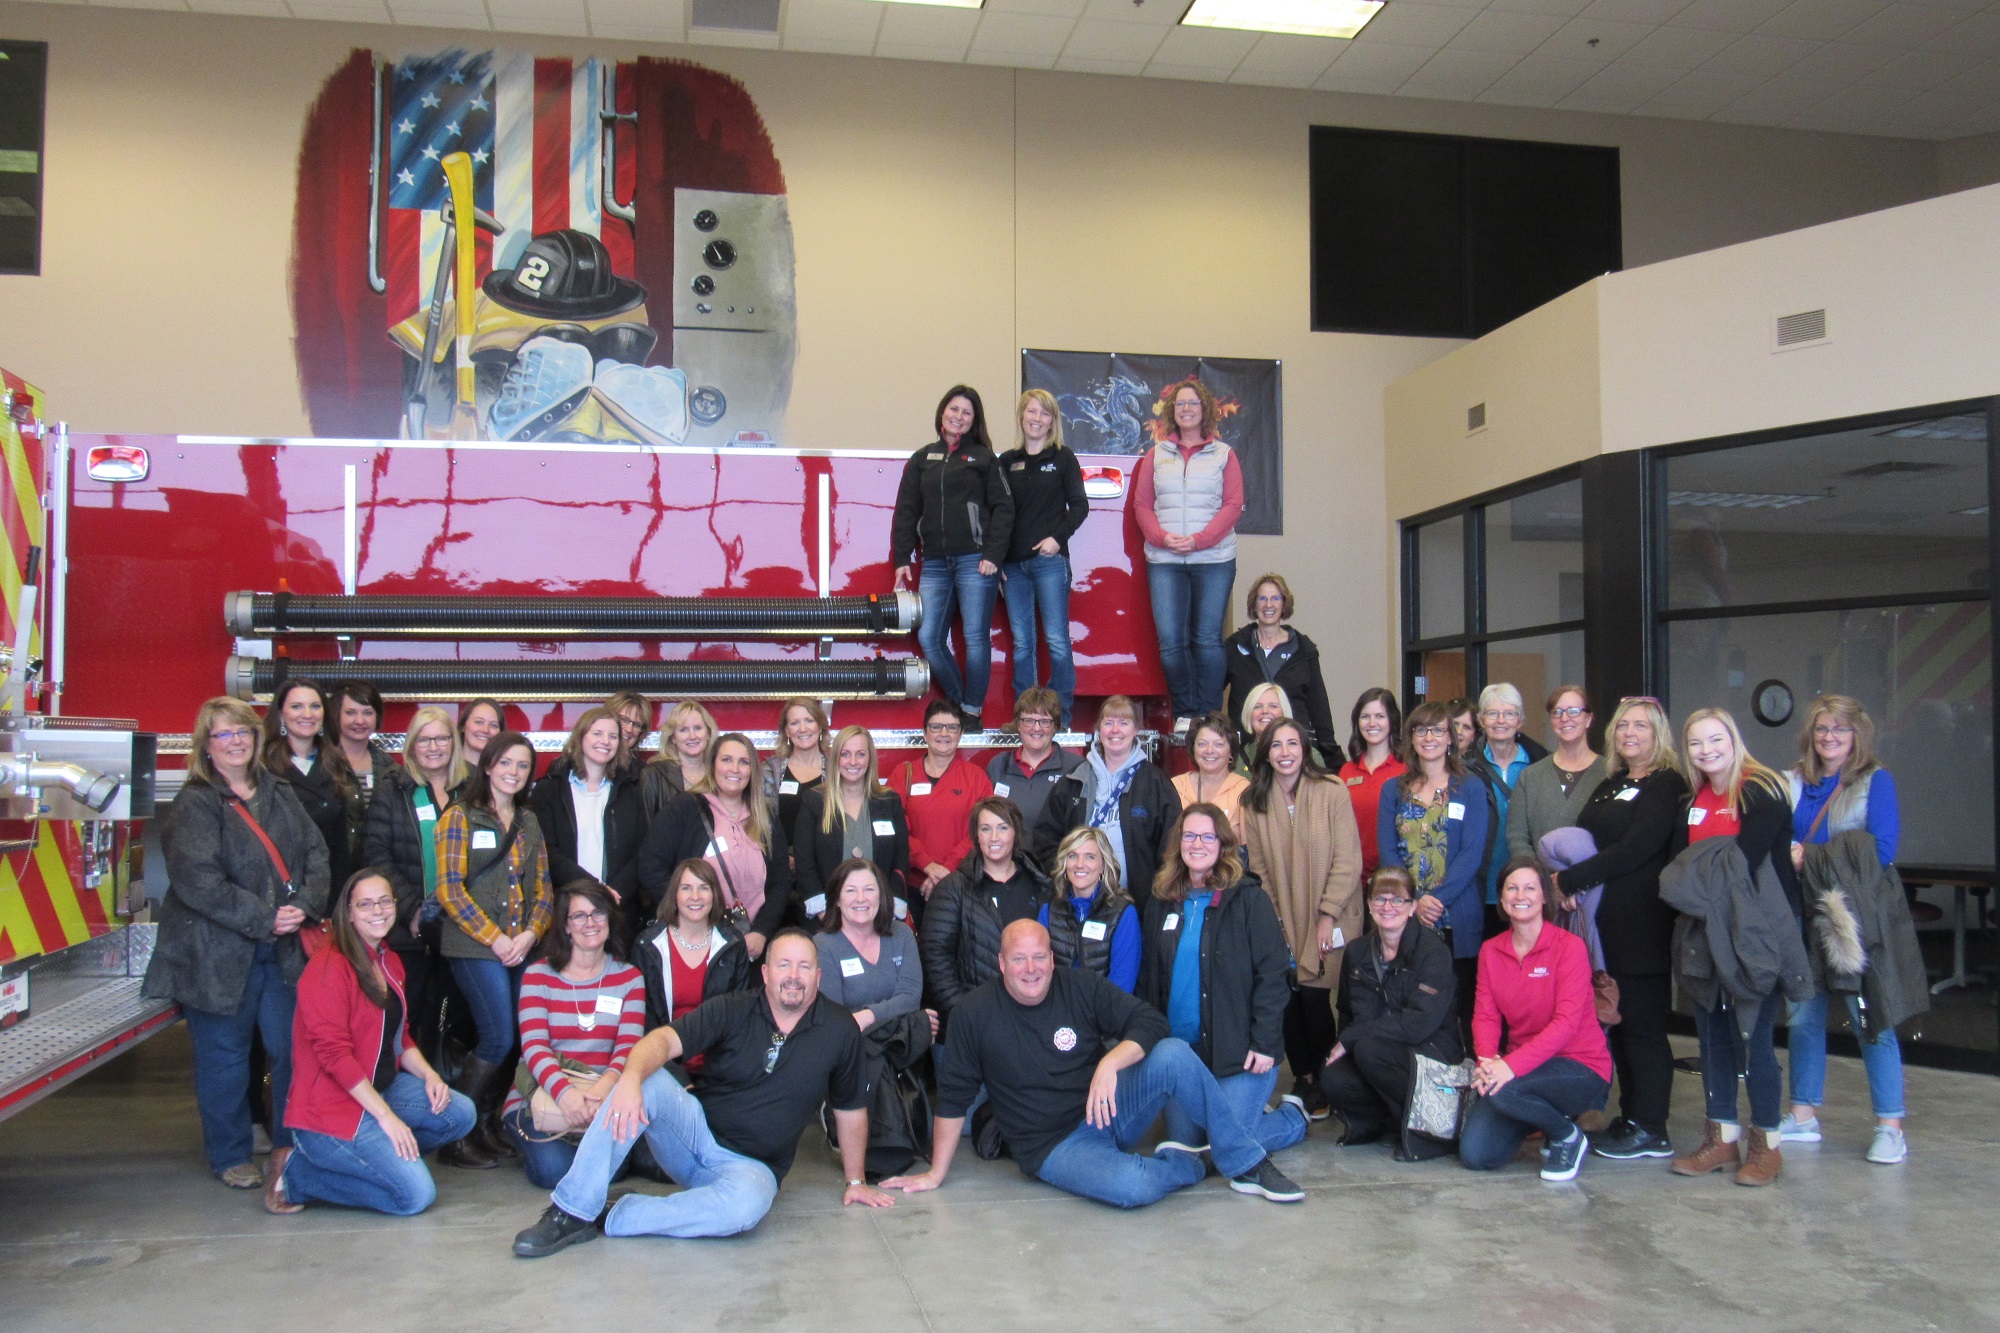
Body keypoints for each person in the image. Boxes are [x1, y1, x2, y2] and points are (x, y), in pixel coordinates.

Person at [510, 929, 893, 1255]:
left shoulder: (840, 1030)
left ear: (819, 975)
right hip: (693, 1138)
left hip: (752, 1170)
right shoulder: (733, 1008)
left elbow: (850, 1109)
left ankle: (614, 1213)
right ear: (764, 972)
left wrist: (856, 1181)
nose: (793, 976)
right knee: (650, 1080)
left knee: (745, 1209)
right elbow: (661, 1039)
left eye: (804, 967)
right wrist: (628, 1082)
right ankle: (572, 1210)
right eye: (783, 965)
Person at [882, 920, 1304, 1206]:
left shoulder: (1079, 986)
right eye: (1019, 959)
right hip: (1055, 1146)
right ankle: (1188, 1163)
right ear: (1001, 963)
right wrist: (936, 1174)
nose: (1031, 969)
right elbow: (953, 1099)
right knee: (1131, 1186)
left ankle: (1245, 1162)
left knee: (1173, 1053)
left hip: (1108, 1109)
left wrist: (1110, 1064)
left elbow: (1150, 1021)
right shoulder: (974, 1014)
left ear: (1052, 958)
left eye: (1040, 957)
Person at [143, 697, 330, 1190]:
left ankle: (290, 1146)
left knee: (293, 1048)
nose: (237, 741)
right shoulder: (196, 804)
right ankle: (229, 1154)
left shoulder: (279, 791)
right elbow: (197, 881)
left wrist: (306, 904)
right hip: (218, 954)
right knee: (223, 1056)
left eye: (244, 732)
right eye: (225, 734)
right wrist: (265, 917)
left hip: (282, 949)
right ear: (207, 745)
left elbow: (315, 851)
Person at [265, 870, 475, 1216]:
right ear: (347, 913)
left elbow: (400, 1036)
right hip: (331, 1110)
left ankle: (386, 1161)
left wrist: (429, 1076)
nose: (378, 911)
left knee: (458, 1112)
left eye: (384, 901)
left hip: (379, 1091)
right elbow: (335, 1057)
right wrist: (388, 1118)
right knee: (415, 1196)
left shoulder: (389, 960)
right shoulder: (328, 968)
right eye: (365, 904)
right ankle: (296, 1175)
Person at [1667, 707, 1810, 1188]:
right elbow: (1687, 866)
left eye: (1715, 740)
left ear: (1734, 739)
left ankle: (1766, 1146)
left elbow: (1741, 863)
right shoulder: (1697, 796)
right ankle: (1721, 1138)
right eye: (1695, 743)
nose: (1706, 751)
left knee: (1754, 1039)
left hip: (1756, 935)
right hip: (1706, 929)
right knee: (1711, 1037)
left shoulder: (1759, 787)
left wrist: (1689, 878)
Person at [1549, 697, 1688, 1162]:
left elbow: (1637, 847)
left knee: (1643, 1027)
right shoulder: (1612, 783)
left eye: (1641, 726)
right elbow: (1586, 837)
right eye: (1622, 724)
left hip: (1641, 924)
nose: (1630, 732)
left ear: (1658, 734)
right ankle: (1630, 1118)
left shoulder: (1667, 784)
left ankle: (1652, 1126)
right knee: (1620, 1024)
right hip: (1602, 925)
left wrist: (1572, 879)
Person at [1781, 694, 1917, 1165]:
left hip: (1854, 918)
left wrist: (1809, 857)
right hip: (1802, 913)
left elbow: (1879, 852)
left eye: (1840, 729)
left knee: (1870, 1019)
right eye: (1822, 729)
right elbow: (1778, 839)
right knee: (1802, 1016)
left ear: (1857, 735)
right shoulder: (1794, 780)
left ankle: (1890, 1126)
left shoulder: (1875, 782)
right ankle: (1801, 1117)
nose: (1830, 737)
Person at [1138, 804, 1309, 1159]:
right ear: (1178, 843)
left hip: (1240, 1054)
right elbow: (1149, 978)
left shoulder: (1248, 900)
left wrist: (1264, 1042)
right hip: (1183, 1053)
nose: (1196, 844)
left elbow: (1273, 977)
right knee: (1184, 1145)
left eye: (1207, 836)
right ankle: (1236, 1117)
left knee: (1223, 1147)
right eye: (1189, 835)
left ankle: (1292, 1118)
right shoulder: (1161, 901)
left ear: (1223, 844)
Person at [434, 729, 554, 1169]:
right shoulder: (459, 817)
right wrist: (497, 938)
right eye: (506, 763)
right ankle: (455, 1132)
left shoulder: (529, 822)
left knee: (523, 1035)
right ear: (487, 765)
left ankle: (486, 1125)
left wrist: (529, 934)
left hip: (521, 945)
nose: (514, 773)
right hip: (474, 946)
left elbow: (543, 889)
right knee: (499, 1035)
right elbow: (449, 890)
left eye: (523, 766)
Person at [1460, 860, 1612, 1182]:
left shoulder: (1569, 947)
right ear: (1501, 899)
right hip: (1523, 1070)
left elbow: (1566, 1024)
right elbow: (1485, 1015)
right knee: (1476, 1155)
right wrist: (1487, 1060)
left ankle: (1566, 1134)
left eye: (1530, 887)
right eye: (1511, 888)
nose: (1520, 895)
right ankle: (1538, 1115)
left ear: (1545, 897)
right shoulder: (1491, 951)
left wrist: (1509, 1068)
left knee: (1503, 1091)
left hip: (1579, 1066)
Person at [1242, 717, 1363, 1121]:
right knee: (1289, 1000)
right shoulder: (1254, 801)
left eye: (1292, 744)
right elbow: (1257, 870)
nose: (1285, 753)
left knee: (1316, 998)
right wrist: (1274, 921)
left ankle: (1329, 1078)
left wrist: (1327, 915)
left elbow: (1348, 860)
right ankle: (1305, 1078)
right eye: (1276, 746)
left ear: (1304, 749)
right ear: (1266, 753)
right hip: (1283, 916)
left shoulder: (1332, 791)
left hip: (1334, 911)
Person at [500, 880, 648, 1189]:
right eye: (579, 916)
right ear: (566, 926)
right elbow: (535, 1046)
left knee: (613, 1172)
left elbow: (628, 1048)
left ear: (610, 919)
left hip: (601, 1096)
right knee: (555, 1172)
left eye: (598, 914)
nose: (590, 923)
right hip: (543, 1097)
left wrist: (603, 1091)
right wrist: (565, 1094)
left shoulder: (629, 978)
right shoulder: (538, 975)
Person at [891, 384, 1014, 729]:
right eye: (953, 409)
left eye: (966, 412)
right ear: (942, 413)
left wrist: (994, 554)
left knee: (975, 637)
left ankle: (972, 711)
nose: (958, 416)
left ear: (974, 421)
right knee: (928, 637)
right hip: (934, 563)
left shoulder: (984, 458)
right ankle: (961, 705)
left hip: (976, 561)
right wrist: (902, 556)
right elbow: (906, 510)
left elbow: (1005, 508)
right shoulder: (922, 459)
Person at [1320, 868, 1463, 1157]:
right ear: (1369, 905)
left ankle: (1426, 1131)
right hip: (1376, 1051)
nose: (1388, 907)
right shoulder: (1357, 952)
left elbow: (1418, 1025)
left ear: (1412, 907)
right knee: (1332, 1076)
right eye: (1380, 899)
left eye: (1398, 900)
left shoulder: (1432, 952)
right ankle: (1387, 1122)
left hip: (1430, 1049)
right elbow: (1346, 1012)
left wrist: (1354, 1038)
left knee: (1370, 1050)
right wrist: (1346, 1043)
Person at [1134, 377, 1243, 731]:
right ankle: (1185, 712)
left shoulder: (1225, 455)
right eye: (1180, 404)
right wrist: (1162, 537)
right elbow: (1142, 504)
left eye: (1192, 404)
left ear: (1205, 410)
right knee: (1171, 642)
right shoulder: (1156, 454)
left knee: (1208, 639)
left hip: (1213, 560)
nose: (1186, 409)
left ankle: (1209, 716)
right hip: (1165, 560)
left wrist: (1200, 540)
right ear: (1172, 411)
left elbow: (1233, 505)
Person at [1377, 701, 1490, 1034]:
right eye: (1421, 729)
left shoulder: (1469, 787)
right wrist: (1413, 900)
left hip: (1457, 913)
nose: (1429, 737)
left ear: (1451, 738)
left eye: (1438, 730)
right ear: (1410, 738)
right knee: (1411, 1001)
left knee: (1460, 1004)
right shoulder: (1392, 790)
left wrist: (1435, 899)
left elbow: (1471, 852)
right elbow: (1388, 852)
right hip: (1405, 912)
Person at [360, 704, 464, 1059]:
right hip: (409, 932)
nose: (433, 747)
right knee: (408, 1016)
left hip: (464, 929)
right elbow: (377, 855)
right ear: (411, 746)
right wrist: (412, 911)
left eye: (441, 738)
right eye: (424, 740)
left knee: (455, 1020)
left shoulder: (471, 788)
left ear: (454, 743)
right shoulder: (394, 789)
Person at [923, 797, 1073, 1035]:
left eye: (1003, 827)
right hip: (973, 1024)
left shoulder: (1041, 885)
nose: (994, 837)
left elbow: (1058, 949)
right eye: (985, 829)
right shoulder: (953, 888)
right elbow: (936, 960)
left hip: (1034, 1020)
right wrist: (967, 1015)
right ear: (976, 836)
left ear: (1016, 833)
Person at [636, 733, 794, 958]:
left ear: (752, 770)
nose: (735, 769)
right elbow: (650, 868)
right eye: (726, 760)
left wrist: (761, 931)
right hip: (696, 941)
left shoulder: (765, 817)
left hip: (751, 944)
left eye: (744, 762)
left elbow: (780, 881)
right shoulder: (685, 808)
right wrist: (691, 915)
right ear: (713, 765)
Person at [1034, 696, 1181, 913]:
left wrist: (1158, 894)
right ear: (1098, 729)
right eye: (1108, 722)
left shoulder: (1156, 783)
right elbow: (1045, 837)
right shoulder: (1075, 780)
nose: (1115, 730)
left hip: (1140, 906)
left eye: (1124, 723)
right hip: (1080, 904)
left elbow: (1172, 844)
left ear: (1135, 730)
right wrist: (1064, 879)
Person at [999, 389, 1088, 726]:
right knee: (1023, 644)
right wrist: (998, 565)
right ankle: (1026, 717)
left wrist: (1057, 538)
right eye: (1031, 412)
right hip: (1013, 568)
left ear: (1053, 421)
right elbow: (997, 514)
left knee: (1056, 640)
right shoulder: (1006, 462)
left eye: (1044, 413)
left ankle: (1060, 716)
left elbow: (1080, 505)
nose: (1037, 419)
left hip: (1050, 563)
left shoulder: (1063, 458)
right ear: (1021, 417)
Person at [529, 707, 647, 920]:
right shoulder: (549, 790)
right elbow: (547, 852)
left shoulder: (629, 792)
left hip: (617, 909)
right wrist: (594, 890)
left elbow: (641, 853)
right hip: (565, 907)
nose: (606, 741)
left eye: (613, 736)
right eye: (597, 733)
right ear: (581, 736)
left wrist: (612, 896)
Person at [794, 725, 912, 923]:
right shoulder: (814, 800)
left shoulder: (889, 801)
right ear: (835, 759)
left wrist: (890, 910)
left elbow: (901, 859)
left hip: (879, 916)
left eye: (860, 754)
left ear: (870, 759)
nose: (853, 762)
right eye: (845, 754)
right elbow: (805, 863)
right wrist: (825, 914)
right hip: (828, 917)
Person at [262, 675, 361, 904]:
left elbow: (344, 840)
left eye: (315, 706)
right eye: (297, 706)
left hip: (330, 889)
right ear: (281, 714)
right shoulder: (262, 766)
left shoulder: (337, 763)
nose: (307, 714)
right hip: (280, 895)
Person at [886, 699, 993, 910]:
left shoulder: (977, 778)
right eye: (936, 727)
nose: (944, 733)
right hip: (912, 887)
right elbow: (893, 827)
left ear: (960, 734)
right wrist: (927, 864)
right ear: (925, 732)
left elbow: (984, 829)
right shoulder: (903, 774)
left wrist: (947, 869)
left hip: (962, 886)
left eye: (952, 727)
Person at [1224, 573, 1339, 762]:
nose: (1268, 605)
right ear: (1254, 604)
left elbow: (1319, 708)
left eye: (1275, 598)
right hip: (1246, 752)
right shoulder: (1235, 646)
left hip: (1292, 752)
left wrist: (1330, 754)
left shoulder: (1303, 650)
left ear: (1284, 604)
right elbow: (1211, 693)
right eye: (1262, 598)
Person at [636, 859, 757, 1032]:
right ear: (674, 895)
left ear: (714, 895)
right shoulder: (648, 945)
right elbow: (645, 1017)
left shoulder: (733, 943)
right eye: (686, 888)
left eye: (703, 888)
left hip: (719, 1054)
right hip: (662, 1052)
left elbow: (739, 1012)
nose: (695, 896)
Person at [1467, 683, 1550, 926]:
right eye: (1492, 713)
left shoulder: (1541, 765)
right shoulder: (1464, 767)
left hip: (1528, 888)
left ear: (1520, 720)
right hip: (1480, 882)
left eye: (1510, 713)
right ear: (1481, 720)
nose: (1501, 720)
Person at [815, 859, 925, 1035]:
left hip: (901, 1049)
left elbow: (911, 998)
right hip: (852, 1050)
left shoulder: (902, 934)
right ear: (836, 899)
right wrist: (893, 1014)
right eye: (851, 890)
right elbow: (835, 1018)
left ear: (881, 895)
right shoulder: (823, 946)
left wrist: (867, 1016)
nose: (860, 898)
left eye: (869, 889)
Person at [1505, 686, 1607, 872]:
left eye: (1573, 711)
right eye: (1557, 712)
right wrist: (1538, 879)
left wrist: (1578, 881)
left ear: (1589, 719)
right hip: (1542, 890)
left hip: (1596, 885)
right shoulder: (1530, 776)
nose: (1565, 718)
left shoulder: (1610, 774)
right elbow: (1517, 837)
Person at [1041, 826, 1140, 993]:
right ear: (1065, 863)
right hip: (1056, 1013)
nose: (1080, 865)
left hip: (1104, 1014)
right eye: (1073, 856)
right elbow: (1039, 970)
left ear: (1103, 865)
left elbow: (1122, 986)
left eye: (1090, 857)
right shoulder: (1049, 909)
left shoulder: (1123, 913)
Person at [986, 686, 1083, 836]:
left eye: (1045, 721)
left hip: (1057, 858)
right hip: (1009, 859)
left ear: (1056, 726)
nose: (1036, 728)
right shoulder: (997, 765)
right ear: (1018, 724)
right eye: (1029, 720)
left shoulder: (1076, 768)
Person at [1339, 688, 1406, 878]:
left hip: (1395, 877)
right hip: (1353, 875)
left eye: (1379, 716)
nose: (1372, 723)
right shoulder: (1347, 771)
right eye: (1365, 716)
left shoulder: (1407, 769)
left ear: (1392, 721)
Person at [762, 697, 829, 845]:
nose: (803, 728)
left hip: (823, 863)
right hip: (779, 861)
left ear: (820, 726)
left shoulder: (836, 771)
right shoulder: (768, 771)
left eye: (809, 720)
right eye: (794, 723)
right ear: (786, 731)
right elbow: (760, 824)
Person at [1172, 714, 1248, 840]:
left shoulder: (1243, 790)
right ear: (1193, 749)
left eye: (1218, 744)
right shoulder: (1175, 786)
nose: (1209, 750)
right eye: (1202, 744)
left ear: (1231, 751)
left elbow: (1249, 851)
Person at [640, 700, 717, 822]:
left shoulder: (719, 773)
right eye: (683, 730)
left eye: (697, 728)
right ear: (673, 738)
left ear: (708, 733)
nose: (692, 736)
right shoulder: (653, 775)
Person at [329, 679, 398, 814]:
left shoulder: (390, 769)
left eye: (367, 713)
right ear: (337, 715)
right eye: (350, 713)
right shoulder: (322, 763)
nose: (360, 721)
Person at [1237, 682, 1294, 760]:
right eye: (1258, 706)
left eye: (1273, 706)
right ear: (1249, 714)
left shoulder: (1306, 754)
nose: (1265, 711)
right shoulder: (1238, 760)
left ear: (1284, 712)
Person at [603, 691, 655, 763]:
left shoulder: (643, 772)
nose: (629, 729)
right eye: (623, 720)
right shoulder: (586, 764)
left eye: (637, 725)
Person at [458, 698, 505, 770]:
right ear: (463, 726)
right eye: (479, 722)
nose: (485, 730)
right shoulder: (445, 771)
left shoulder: (504, 774)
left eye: (493, 725)